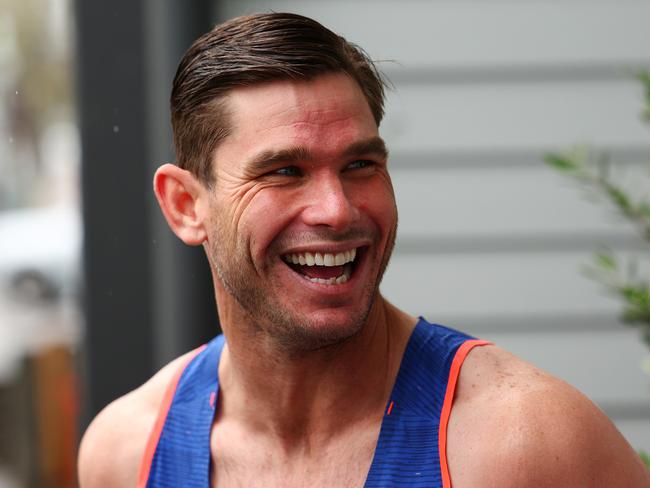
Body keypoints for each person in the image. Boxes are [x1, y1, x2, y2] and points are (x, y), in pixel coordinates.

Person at [78, 12, 650, 488]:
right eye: (284, 171)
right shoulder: (128, 454)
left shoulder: (524, 444)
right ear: (185, 206)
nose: (337, 209)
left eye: (360, 165)